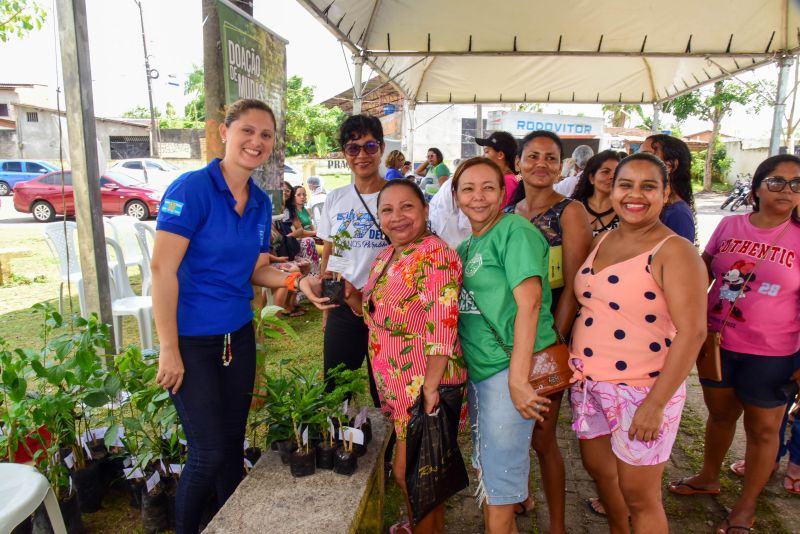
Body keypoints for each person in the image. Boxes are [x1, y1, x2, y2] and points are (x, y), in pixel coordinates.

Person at [151, 99, 333, 534]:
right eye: (247, 131)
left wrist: (295, 282)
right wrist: (169, 349)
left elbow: (254, 268)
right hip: (191, 341)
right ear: (223, 133)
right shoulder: (190, 189)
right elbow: (162, 269)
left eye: (266, 135)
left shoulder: (256, 204)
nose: (256, 141)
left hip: (236, 336)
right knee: (207, 452)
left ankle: (230, 525)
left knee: (232, 446)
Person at [570, 152, 707, 534]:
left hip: (641, 390)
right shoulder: (603, 239)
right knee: (601, 475)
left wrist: (655, 404)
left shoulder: (675, 250)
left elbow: (694, 332)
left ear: (666, 193)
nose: (636, 195)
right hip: (588, 386)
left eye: (649, 186)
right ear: (611, 191)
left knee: (640, 496)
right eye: (626, 184)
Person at [668, 154, 800, 534]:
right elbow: (701, 273)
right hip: (717, 343)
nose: (785, 190)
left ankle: (745, 506)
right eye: (776, 181)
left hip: (774, 353)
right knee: (720, 415)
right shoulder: (730, 224)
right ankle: (708, 476)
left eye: (795, 183)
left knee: (762, 431)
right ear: (757, 187)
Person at [354, 179, 467, 534]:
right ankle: (418, 523)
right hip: (397, 382)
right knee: (417, 474)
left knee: (412, 473)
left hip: (425, 384)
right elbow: (380, 313)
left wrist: (430, 391)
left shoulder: (435, 255)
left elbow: (442, 325)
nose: (396, 217)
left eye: (407, 207)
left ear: (424, 210)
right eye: (387, 209)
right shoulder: (388, 254)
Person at [454, 156, 554, 534]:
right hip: (483, 374)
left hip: (509, 371)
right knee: (488, 469)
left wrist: (517, 379)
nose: (478, 197)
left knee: (500, 487)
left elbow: (529, 304)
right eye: (468, 188)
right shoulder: (467, 247)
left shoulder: (516, 231)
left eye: (488, 187)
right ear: (457, 196)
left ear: (503, 192)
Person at [508, 130, 593, 532]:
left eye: (551, 158)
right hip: (511, 337)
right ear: (518, 163)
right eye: (533, 156)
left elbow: (574, 284)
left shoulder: (571, 212)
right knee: (516, 432)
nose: (542, 164)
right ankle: (519, 495)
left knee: (543, 439)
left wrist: (553, 342)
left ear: (561, 166)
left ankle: (557, 524)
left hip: (549, 338)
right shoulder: (509, 212)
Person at [318, 114, 387, 407]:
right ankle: (340, 446)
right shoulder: (335, 198)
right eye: (353, 148)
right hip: (343, 304)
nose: (362, 155)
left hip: (386, 307)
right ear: (345, 154)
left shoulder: (397, 195)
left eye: (369, 146)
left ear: (381, 148)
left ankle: (390, 450)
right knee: (336, 387)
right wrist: (326, 306)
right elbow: (329, 253)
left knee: (384, 389)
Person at [639, 134, 696, 242]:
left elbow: (679, 257)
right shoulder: (651, 203)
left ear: (670, 165)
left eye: (646, 156)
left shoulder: (678, 214)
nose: (637, 162)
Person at [571, 150, 624, 236]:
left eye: (616, 173)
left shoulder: (624, 212)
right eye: (606, 172)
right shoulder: (573, 207)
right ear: (592, 178)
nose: (612, 177)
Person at [475, 131, 519, 207]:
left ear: (500, 155)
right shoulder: (502, 178)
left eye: (486, 151)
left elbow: (501, 212)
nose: (483, 156)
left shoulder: (507, 181)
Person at [283, 185, 320, 276]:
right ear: (293, 196)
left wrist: (317, 233)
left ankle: (321, 273)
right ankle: (313, 274)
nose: (302, 197)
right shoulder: (292, 211)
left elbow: (311, 226)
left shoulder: (306, 210)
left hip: (310, 236)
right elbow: (300, 233)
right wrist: (315, 233)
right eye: (299, 195)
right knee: (309, 241)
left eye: (304, 194)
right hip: (299, 240)